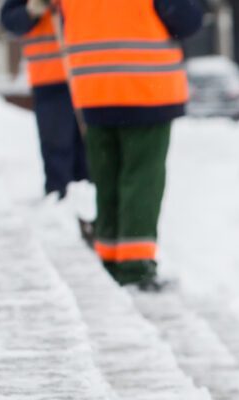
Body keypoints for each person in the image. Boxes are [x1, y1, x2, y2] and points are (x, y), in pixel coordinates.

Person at [58, 0, 203, 290]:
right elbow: (187, 20)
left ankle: (110, 258)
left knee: (107, 178)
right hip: (146, 86)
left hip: (93, 87)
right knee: (142, 179)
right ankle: (135, 269)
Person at [0, 0, 88, 199]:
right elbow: (10, 21)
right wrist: (31, 10)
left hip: (88, 76)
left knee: (90, 150)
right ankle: (59, 205)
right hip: (49, 80)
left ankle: (90, 208)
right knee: (58, 148)